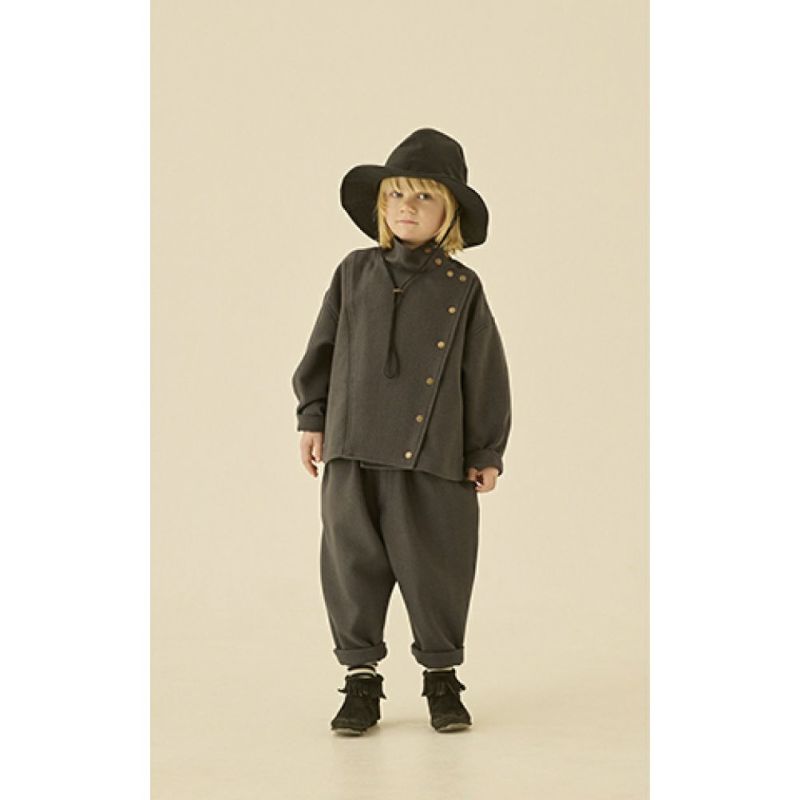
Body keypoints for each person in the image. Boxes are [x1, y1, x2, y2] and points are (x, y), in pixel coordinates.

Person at [291, 128, 512, 734]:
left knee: (438, 567)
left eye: (423, 197)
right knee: (350, 567)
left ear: (449, 214)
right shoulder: (353, 272)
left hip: (434, 456)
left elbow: (484, 372)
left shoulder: (462, 288)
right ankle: (360, 682)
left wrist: (485, 448)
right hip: (351, 449)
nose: (406, 207)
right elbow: (323, 348)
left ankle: (442, 680)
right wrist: (313, 417)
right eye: (395, 195)